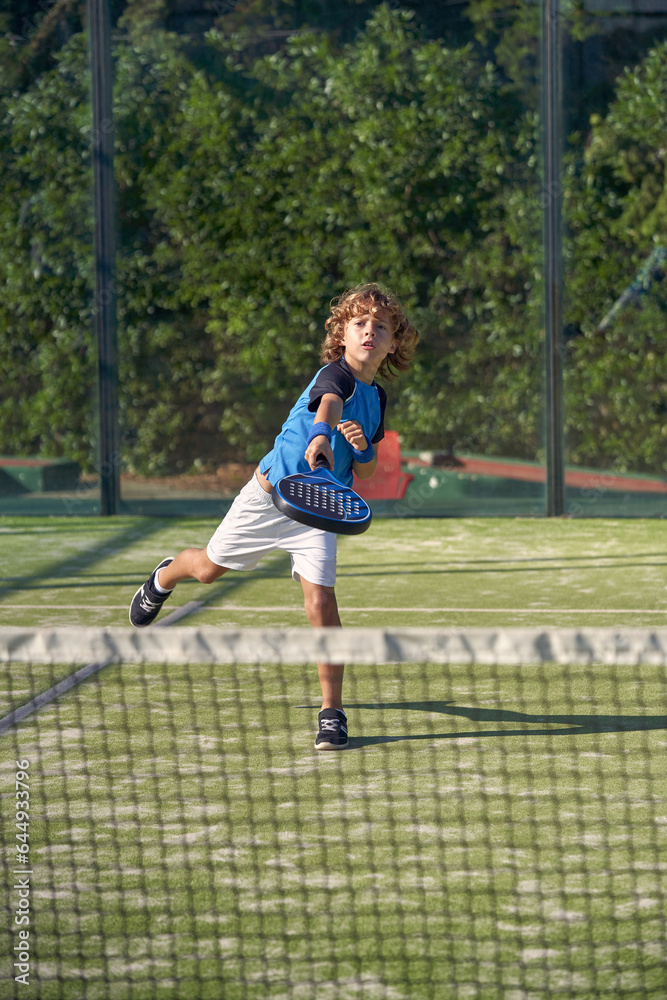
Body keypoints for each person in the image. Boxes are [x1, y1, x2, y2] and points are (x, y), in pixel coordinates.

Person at [129, 283, 419, 749]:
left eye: (380, 327)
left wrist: (362, 446)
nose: (369, 332)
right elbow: (327, 406)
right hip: (269, 496)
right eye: (360, 324)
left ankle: (332, 712)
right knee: (206, 570)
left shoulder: (378, 399)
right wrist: (321, 437)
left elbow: (365, 468)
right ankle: (165, 576)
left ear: (393, 342)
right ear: (342, 335)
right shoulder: (336, 375)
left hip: (319, 507)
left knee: (322, 603)